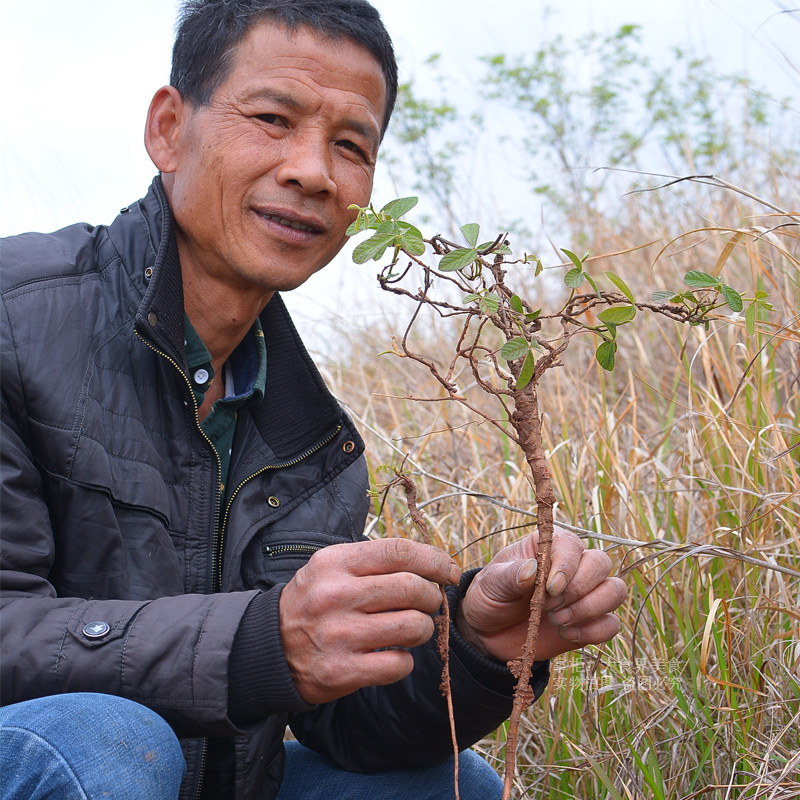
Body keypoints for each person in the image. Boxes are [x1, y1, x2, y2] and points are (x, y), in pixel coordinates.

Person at [0, 1, 628, 798]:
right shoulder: (14, 317)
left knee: (446, 783)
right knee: (105, 742)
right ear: (168, 128)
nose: (312, 171)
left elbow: (345, 726)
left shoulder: (314, 442)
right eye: (272, 118)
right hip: (64, 764)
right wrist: (257, 642)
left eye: (350, 145)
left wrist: (475, 642)